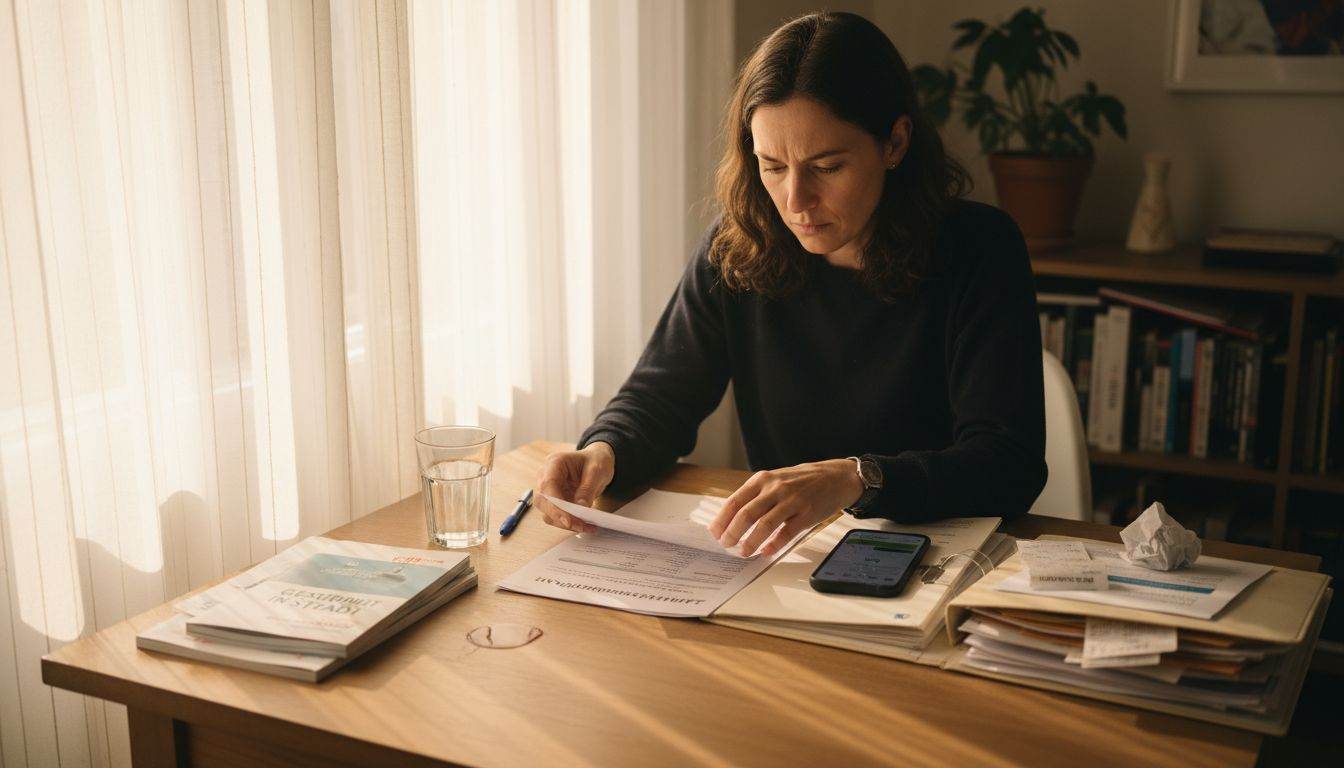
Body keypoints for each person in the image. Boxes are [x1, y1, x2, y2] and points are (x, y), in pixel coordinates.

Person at [535, 11, 1046, 558]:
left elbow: (1008, 463)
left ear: (895, 143)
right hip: (788, 558)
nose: (795, 201)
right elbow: (661, 396)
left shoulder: (979, 250)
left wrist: (858, 478)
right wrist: (603, 450)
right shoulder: (737, 247)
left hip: (938, 556)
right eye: (772, 166)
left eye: (826, 167)